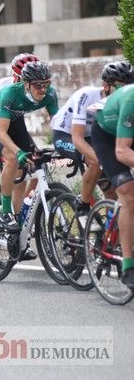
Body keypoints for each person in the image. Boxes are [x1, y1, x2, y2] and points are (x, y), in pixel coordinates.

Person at [0, 61, 58, 255]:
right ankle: (6, 212)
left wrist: (63, 146)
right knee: (15, 159)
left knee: (26, 170)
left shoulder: (50, 94)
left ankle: (17, 232)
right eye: (38, 85)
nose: (43, 89)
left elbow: (57, 124)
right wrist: (18, 152)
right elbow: (0, 133)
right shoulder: (10, 93)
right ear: (26, 84)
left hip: (16, 121)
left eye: (46, 83)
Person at [51, 61, 134, 213]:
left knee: (111, 191)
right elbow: (77, 138)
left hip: (94, 136)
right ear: (106, 85)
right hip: (66, 135)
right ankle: (82, 205)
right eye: (119, 87)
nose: (123, 92)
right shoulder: (87, 95)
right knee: (95, 161)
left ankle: (109, 232)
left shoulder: (124, 102)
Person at [91, 79, 134, 288]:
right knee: (128, 193)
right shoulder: (131, 100)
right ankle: (128, 265)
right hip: (107, 137)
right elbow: (122, 151)